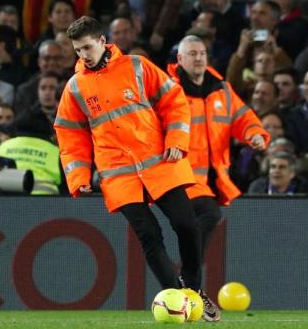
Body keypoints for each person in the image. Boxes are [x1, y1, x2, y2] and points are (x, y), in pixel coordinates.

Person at [53, 16, 219, 321]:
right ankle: (177, 299)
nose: (83, 55)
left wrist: (177, 138)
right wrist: (78, 176)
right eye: (77, 50)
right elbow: (69, 134)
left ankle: (193, 290)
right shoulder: (75, 87)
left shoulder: (137, 67)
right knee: (149, 235)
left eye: (87, 47)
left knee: (186, 225)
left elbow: (174, 101)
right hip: (118, 174)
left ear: (102, 42)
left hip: (160, 162)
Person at [168, 35, 269, 255]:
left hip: (213, 180)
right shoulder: (171, 93)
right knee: (209, 215)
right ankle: (189, 272)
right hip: (181, 178)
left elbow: (244, 118)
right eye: (193, 54)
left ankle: (188, 276)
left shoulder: (222, 91)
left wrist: (254, 134)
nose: (199, 59)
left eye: (202, 54)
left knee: (202, 222)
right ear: (180, 59)